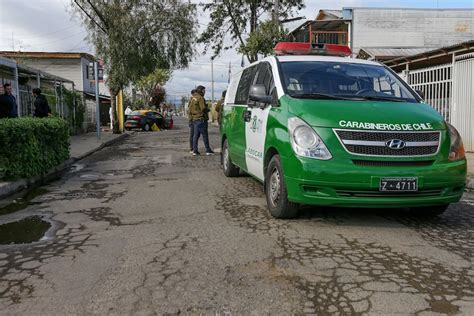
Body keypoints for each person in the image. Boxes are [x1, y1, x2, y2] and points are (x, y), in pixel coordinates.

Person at [190, 85, 213, 156]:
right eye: (203, 90)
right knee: (205, 135)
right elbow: (203, 108)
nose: (204, 92)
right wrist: (208, 109)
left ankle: (195, 151)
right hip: (201, 119)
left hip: (195, 119)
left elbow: (190, 109)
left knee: (195, 136)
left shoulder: (193, 98)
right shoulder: (200, 98)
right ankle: (208, 150)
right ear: (200, 90)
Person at [187, 89, 196, 153]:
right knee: (192, 135)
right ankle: (192, 148)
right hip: (192, 120)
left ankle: (194, 148)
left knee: (195, 135)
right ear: (193, 93)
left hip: (194, 119)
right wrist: (190, 120)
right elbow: (189, 111)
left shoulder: (193, 100)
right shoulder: (192, 100)